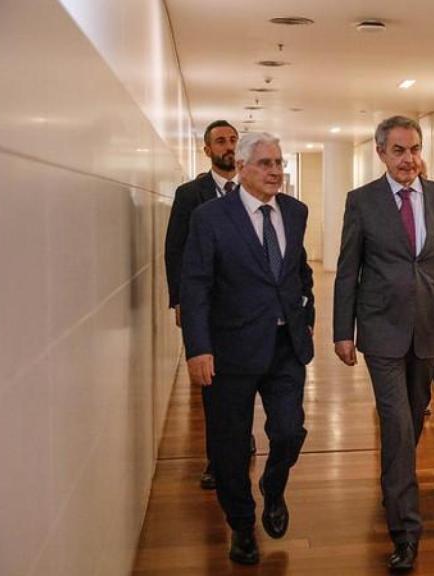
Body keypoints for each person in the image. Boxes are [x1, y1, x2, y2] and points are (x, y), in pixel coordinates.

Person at [333, 116, 434, 572]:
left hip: (430, 330)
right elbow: (348, 269)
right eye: (399, 150)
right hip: (381, 329)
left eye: (415, 149)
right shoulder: (362, 202)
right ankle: (405, 530)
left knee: (413, 417)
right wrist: (343, 331)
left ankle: (394, 484)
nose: (409, 159)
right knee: (399, 423)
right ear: (381, 153)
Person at [180, 132, 316, 564]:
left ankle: (273, 488)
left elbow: (298, 269)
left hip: (285, 346)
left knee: (289, 430)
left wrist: (305, 318)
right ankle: (241, 524)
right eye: (265, 163)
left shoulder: (295, 212)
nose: (276, 170)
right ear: (241, 167)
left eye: (279, 162)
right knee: (229, 446)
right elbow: (195, 286)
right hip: (229, 350)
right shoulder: (210, 217)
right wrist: (198, 348)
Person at [164, 119, 242, 490]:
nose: (228, 146)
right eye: (220, 141)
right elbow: (175, 249)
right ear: (207, 150)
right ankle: (218, 459)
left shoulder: (256, 187)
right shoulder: (190, 194)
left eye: (233, 140)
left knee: (246, 381)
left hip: (248, 309)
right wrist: (179, 299)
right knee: (214, 388)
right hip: (208, 308)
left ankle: (242, 442)